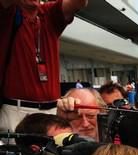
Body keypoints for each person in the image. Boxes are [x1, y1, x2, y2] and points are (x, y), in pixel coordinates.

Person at [0, 0, 88, 131]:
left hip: (51, 110)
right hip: (16, 111)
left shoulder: (47, 14)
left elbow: (79, 3)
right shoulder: (7, 12)